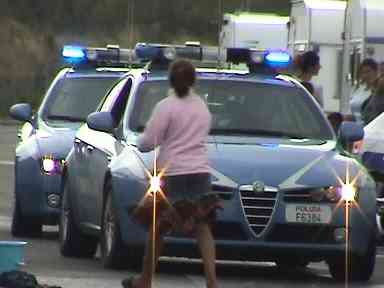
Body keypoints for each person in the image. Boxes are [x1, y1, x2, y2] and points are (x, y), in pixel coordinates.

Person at [122, 59, 223, 288]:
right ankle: (212, 281)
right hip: (200, 171)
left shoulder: (165, 107)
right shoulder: (201, 106)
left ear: (171, 81)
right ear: (193, 80)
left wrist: (140, 141)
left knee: (158, 227)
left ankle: (145, 280)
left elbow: (147, 142)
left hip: (173, 173)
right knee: (203, 226)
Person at [349, 58, 378, 123]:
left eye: (368, 71)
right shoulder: (359, 89)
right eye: (363, 72)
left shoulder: (377, 91)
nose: (365, 75)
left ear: (376, 72)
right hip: (354, 126)